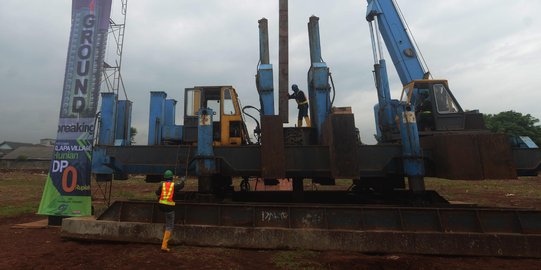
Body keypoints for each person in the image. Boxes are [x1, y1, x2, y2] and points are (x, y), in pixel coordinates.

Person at [155, 170, 185, 252]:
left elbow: (157, 193)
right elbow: (181, 186)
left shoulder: (162, 185)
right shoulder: (174, 186)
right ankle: (164, 245)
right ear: (172, 178)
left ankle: (164, 244)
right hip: (169, 208)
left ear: (165, 178)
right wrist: (182, 179)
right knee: (169, 226)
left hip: (161, 206)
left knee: (167, 221)